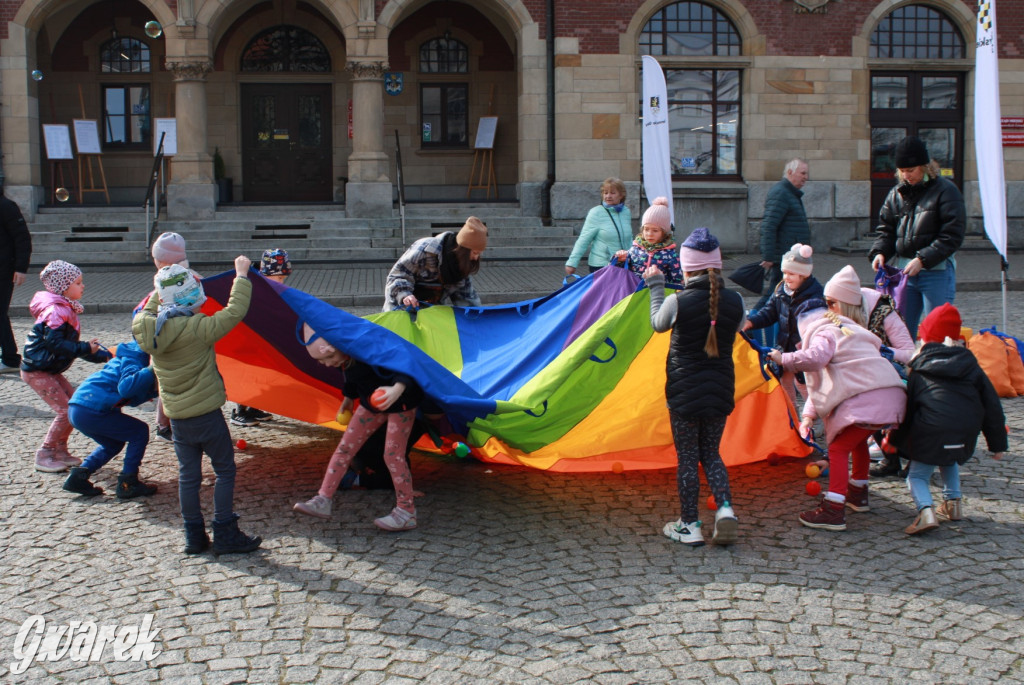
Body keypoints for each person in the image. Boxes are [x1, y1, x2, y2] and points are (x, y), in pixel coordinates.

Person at [132, 257, 262, 556]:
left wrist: (166, 282)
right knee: (225, 471)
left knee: (188, 476)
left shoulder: (147, 328)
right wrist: (241, 276)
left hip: (177, 418)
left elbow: (150, 308)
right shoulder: (199, 327)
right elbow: (235, 311)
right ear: (194, 299)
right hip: (206, 415)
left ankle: (194, 536)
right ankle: (225, 531)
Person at [769, 265, 906, 531]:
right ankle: (858, 492)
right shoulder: (854, 331)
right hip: (889, 395)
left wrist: (783, 358)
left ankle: (834, 508)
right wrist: (808, 416)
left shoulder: (824, 331)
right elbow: (823, 385)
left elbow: (815, 361)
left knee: (838, 449)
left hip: (865, 399)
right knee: (857, 444)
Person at [644, 227, 743, 547]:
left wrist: (656, 286)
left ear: (687, 269)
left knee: (688, 457)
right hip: (720, 390)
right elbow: (739, 326)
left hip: (684, 393)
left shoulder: (679, 301)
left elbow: (658, 323)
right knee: (711, 453)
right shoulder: (736, 301)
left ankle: (689, 525)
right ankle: (725, 509)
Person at [889, 304, 1007, 535]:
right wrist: (997, 444)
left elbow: (909, 411)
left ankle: (926, 511)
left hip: (931, 430)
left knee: (917, 476)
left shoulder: (918, 369)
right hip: (964, 432)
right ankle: (953, 504)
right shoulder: (971, 366)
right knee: (948, 457)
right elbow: (991, 404)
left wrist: (895, 440)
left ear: (924, 339)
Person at [293, 323, 422, 531]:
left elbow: (404, 363)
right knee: (345, 448)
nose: (326, 364)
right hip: (370, 404)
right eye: (321, 361)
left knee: (392, 454)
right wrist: (347, 400)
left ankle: (406, 511)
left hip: (402, 403)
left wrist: (396, 389)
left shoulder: (368, 349)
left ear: (338, 348)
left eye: (327, 358)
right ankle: (323, 499)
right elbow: (352, 378)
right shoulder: (344, 360)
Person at [869, 135, 966, 340]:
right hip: (906, 273)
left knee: (938, 332)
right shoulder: (896, 193)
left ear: (925, 167)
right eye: (902, 171)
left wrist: (923, 259)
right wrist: (880, 252)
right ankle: (906, 370)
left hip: (936, 270)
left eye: (911, 170)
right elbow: (886, 229)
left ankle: (937, 369)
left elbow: (952, 234)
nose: (906, 175)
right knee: (902, 331)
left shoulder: (946, 191)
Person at [21, 260, 111, 473]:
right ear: (63, 287)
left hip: (48, 369)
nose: (83, 286)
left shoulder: (64, 309)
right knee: (66, 411)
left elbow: (69, 347)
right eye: (78, 283)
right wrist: (85, 348)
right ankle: (45, 453)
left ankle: (60, 451)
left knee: (74, 406)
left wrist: (101, 356)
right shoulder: (56, 311)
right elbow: (57, 344)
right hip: (37, 370)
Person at [62, 340, 159, 499]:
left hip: (78, 407)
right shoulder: (136, 355)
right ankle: (128, 482)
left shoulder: (130, 354)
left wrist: (150, 391)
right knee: (139, 431)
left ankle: (78, 476)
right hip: (91, 408)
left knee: (113, 443)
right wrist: (154, 368)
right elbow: (128, 387)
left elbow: (129, 395)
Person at [742, 243, 823, 403]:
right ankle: (792, 419)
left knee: (805, 387)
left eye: (791, 274)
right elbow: (769, 312)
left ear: (804, 275)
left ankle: (815, 420)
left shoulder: (815, 296)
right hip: (784, 347)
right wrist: (750, 323)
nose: (786, 277)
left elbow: (818, 327)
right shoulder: (781, 290)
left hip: (803, 350)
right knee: (784, 384)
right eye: (785, 273)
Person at [146, 232, 197, 442]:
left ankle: (165, 425)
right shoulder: (191, 275)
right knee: (176, 384)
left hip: (168, 338)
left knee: (166, 384)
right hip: (186, 338)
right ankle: (167, 425)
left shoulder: (167, 279)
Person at [231, 248, 291, 427]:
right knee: (247, 375)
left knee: (260, 376)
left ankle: (254, 407)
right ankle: (239, 410)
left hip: (263, 342)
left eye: (283, 278)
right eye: (278, 277)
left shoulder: (272, 288)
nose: (281, 281)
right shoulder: (253, 287)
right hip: (246, 341)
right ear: (266, 275)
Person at [862, 285, 916, 478]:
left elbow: (910, 353)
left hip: (895, 372)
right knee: (871, 408)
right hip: (870, 375)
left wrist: (886, 352)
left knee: (898, 414)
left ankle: (915, 459)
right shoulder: (840, 315)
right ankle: (890, 459)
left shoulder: (886, 314)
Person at [384, 217, 487, 311]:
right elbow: (396, 276)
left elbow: (468, 300)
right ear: (463, 250)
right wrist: (405, 295)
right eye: (475, 253)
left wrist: (478, 321)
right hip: (401, 309)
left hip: (429, 313)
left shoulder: (462, 266)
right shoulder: (423, 250)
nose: (476, 258)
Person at [754, 159, 810, 310]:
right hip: (784, 257)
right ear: (790, 173)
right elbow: (769, 225)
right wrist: (769, 256)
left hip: (791, 256)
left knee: (782, 294)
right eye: (803, 173)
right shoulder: (781, 193)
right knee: (775, 293)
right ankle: (750, 323)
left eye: (806, 173)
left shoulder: (790, 193)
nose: (806, 177)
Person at [565, 178, 633, 277]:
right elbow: (584, 239)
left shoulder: (626, 212)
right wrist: (572, 263)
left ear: (621, 195)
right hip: (602, 264)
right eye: (605, 193)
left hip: (624, 264)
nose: (608, 196)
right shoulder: (596, 212)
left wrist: (633, 256)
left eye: (613, 193)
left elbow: (629, 237)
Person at [614, 196, 682, 283]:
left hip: (657, 294)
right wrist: (619, 260)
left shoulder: (671, 255)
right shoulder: (634, 249)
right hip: (634, 293)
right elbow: (620, 272)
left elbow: (677, 281)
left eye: (655, 230)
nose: (650, 234)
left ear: (664, 233)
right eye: (646, 229)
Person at [0, 189, 31, 374]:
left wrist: (21, 268)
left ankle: (11, 358)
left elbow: (22, 238)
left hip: (4, 270)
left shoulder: (6, 206)